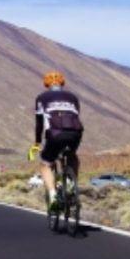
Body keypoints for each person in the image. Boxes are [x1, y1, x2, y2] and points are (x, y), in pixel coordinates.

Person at [27, 71, 83, 211]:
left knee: (45, 163)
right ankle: (70, 184)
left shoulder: (41, 98)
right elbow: (76, 116)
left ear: (46, 84)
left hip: (55, 134)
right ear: (62, 83)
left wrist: (37, 142)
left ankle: (53, 196)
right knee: (72, 156)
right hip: (75, 133)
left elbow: (39, 123)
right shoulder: (73, 97)